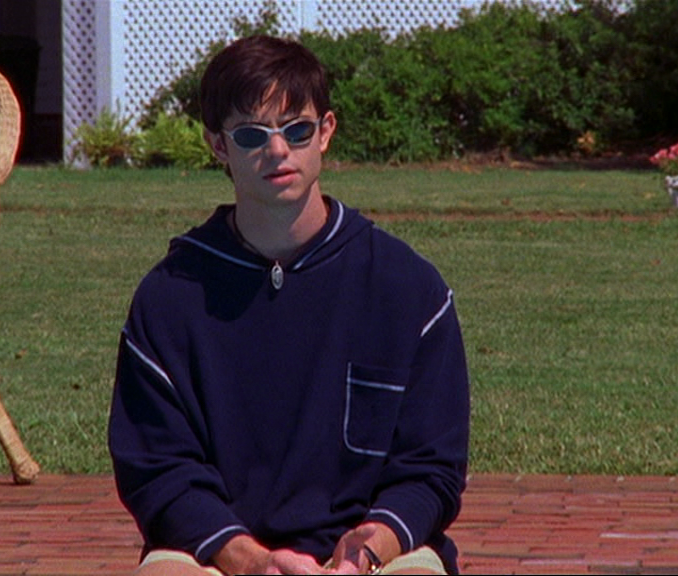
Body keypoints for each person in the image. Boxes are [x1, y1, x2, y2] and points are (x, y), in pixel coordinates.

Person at [108, 35, 470, 575]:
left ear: (325, 131)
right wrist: (248, 559)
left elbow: (432, 468)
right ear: (217, 145)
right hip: (216, 555)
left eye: (296, 129)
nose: (278, 151)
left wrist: (372, 547)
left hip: (374, 556)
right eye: (252, 135)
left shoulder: (408, 288)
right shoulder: (169, 298)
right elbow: (157, 469)